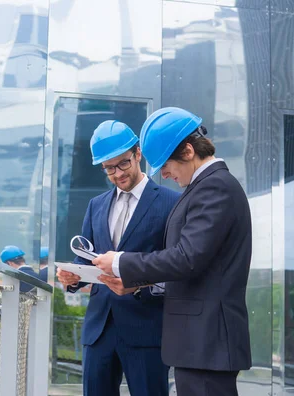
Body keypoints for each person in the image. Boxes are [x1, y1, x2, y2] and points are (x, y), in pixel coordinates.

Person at [94, 107, 252, 396]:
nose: (164, 174)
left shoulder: (214, 187)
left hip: (207, 343)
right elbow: (200, 265)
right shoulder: (205, 187)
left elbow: (187, 258)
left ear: (188, 151)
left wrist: (121, 261)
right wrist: (141, 283)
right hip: (199, 344)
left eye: (165, 165)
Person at [56, 120, 180, 396]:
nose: (117, 174)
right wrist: (72, 278)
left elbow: (176, 265)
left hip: (146, 328)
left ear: (137, 153)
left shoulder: (171, 203)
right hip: (100, 329)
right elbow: (87, 260)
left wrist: (140, 282)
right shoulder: (96, 205)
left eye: (122, 164)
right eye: (108, 168)